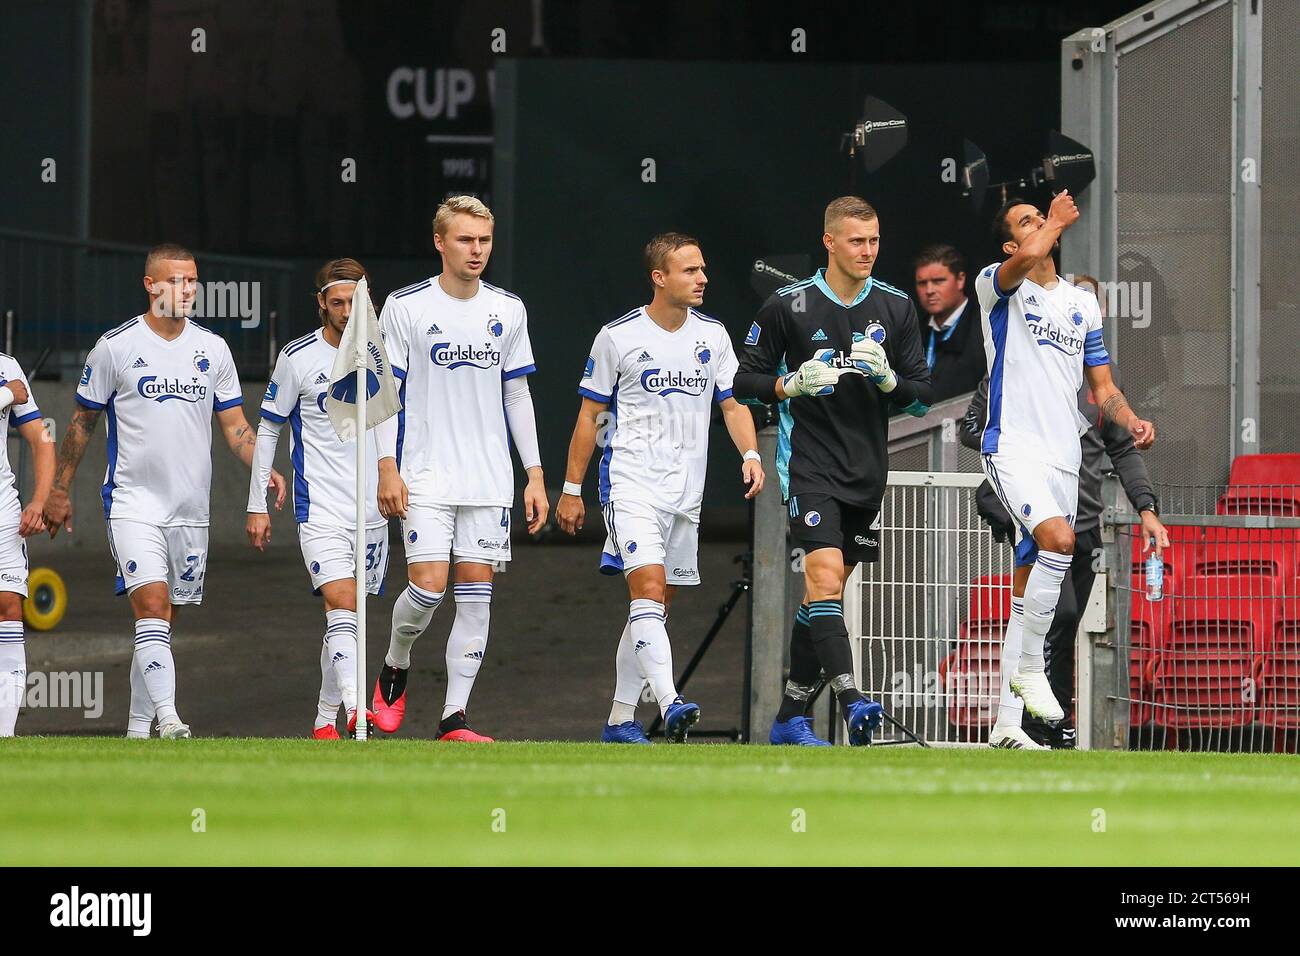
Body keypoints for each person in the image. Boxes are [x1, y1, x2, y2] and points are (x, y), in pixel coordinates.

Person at [44, 243, 286, 739]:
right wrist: (59, 490)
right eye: (176, 281)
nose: (187, 289)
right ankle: (170, 720)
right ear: (151, 285)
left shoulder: (213, 349)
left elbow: (236, 425)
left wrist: (265, 466)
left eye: (193, 280)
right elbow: (80, 424)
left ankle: (136, 730)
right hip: (133, 502)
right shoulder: (116, 347)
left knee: (161, 620)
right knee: (151, 604)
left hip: (190, 509)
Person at [733, 196, 933, 746]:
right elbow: (742, 383)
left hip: (866, 472)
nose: (868, 251)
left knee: (824, 596)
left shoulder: (895, 307)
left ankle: (788, 718)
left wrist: (890, 381)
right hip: (810, 467)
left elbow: (922, 396)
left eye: (873, 241)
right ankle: (853, 701)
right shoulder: (786, 306)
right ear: (829, 242)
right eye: (856, 241)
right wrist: (788, 384)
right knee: (822, 579)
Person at [555, 233, 764, 744]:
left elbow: (732, 405)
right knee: (646, 589)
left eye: (703, 269)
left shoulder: (713, 335)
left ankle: (620, 720)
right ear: (659, 277)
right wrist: (570, 488)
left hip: (684, 493)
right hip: (629, 481)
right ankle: (671, 702)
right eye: (690, 270)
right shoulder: (618, 336)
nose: (702, 279)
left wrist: (751, 455)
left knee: (654, 609)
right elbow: (590, 415)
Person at [975, 192, 1155, 750]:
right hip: (1013, 448)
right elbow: (1024, 259)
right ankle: (1031, 671)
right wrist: (1050, 221)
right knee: (1058, 542)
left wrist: (1130, 418)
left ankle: (1007, 725)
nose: (1039, 227)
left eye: (1041, 219)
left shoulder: (1081, 304)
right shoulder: (995, 286)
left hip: (1065, 459)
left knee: (1028, 589)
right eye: (1026, 223)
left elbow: (1102, 388)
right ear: (1012, 244)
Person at [369, 196, 548, 742]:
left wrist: (535, 473)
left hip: (489, 478)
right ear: (440, 242)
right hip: (424, 473)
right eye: (466, 240)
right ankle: (396, 660)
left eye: (485, 240)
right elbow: (382, 393)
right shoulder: (405, 306)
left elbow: (516, 394)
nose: (477, 251)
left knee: (477, 592)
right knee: (428, 588)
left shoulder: (508, 309)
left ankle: (454, 717)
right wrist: (386, 467)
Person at [960, 356, 1169, 747]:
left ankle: (1034, 725)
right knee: (1060, 611)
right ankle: (1044, 723)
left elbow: (1123, 451)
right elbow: (971, 428)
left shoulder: (1103, 382)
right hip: (1039, 515)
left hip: (1085, 520)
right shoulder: (1015, 358)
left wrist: (1147, 509)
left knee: (1059, 624)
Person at [247, 258, 388, 739]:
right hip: (320, 508)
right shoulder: (297, 356)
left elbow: (396, 424)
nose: (347, 312)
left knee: (349, 616)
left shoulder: (384, 352)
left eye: (355, 301)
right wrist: (255, 503)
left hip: (373, 509)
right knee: (342, 603)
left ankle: (324, 721)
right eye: (338, 303)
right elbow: (268, 427)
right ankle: (355, 708)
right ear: (322, 304)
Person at [0, 359, 55, 736]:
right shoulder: (8, 385)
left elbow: (41, 439)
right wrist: (5, 395)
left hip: (3, 512)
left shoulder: (6, 367)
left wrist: (38, 500)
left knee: (9, 609)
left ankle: (5, 735)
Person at [913, 244, 985, 401]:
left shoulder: (985, 327)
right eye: (922, 283)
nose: (929, 290)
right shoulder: (912, 333)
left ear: (960, 280)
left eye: (938, 281)